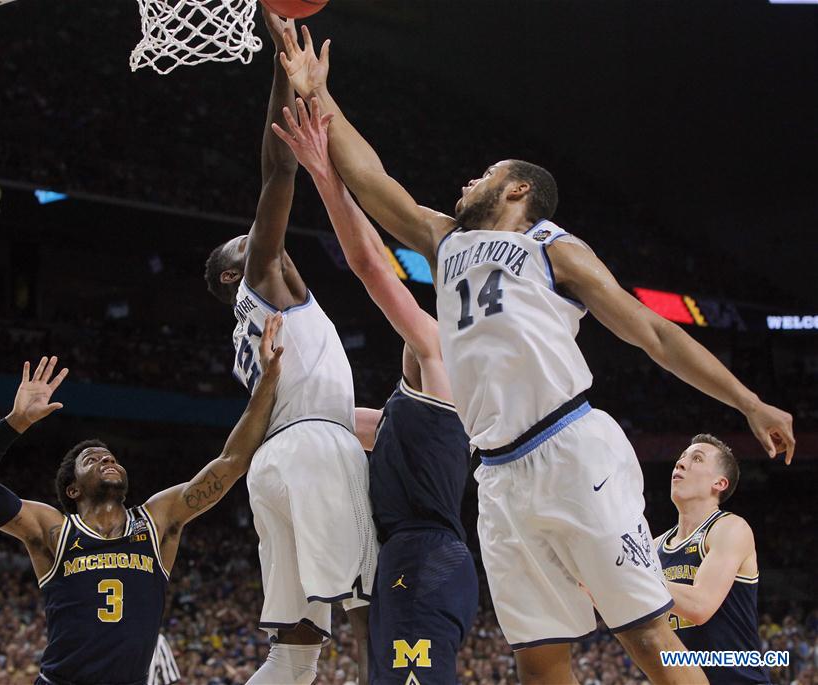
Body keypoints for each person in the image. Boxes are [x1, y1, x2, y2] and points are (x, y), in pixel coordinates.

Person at [274, 26, 796, 685]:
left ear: (518, 190)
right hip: (497, 475)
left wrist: (747, 401)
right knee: (540, 658)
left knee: (645, 635)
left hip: (570, 449)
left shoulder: (555, 248)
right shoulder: (445, 241)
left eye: (487, 174)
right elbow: (374, 182)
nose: (471, 179)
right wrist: (321, 94)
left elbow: (654, 334)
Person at [0, 314, 284, 685]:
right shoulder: (54, 530)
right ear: (73, 490)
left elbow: (231, 462)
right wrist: (14, 423)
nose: (106, 459)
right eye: (92, 459)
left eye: (110, 457)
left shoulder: (157, 519)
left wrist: (267, 381)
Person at [275, 100, 478, 684]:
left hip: (423, 557)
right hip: (413, 557)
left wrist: (322, 172)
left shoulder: (442, 353)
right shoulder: (401, 410)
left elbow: (369, 265)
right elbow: (330, 423)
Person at [202, 11, 376, 685]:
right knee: (369, 605)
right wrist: (283, 75)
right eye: (242, 242)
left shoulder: (261, 320)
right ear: (229, 272)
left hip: (277, 463)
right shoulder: (257, 278)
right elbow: (278, 168)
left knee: (296, 651)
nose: (255, 237)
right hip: (312, 453)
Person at [657, 434, 771, 684]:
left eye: (696, 459)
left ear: (719, 483)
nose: (681, 464)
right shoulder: (655, 546)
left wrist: (628, 577)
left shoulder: (729, 528)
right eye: (681, 458)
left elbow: (700, 607)